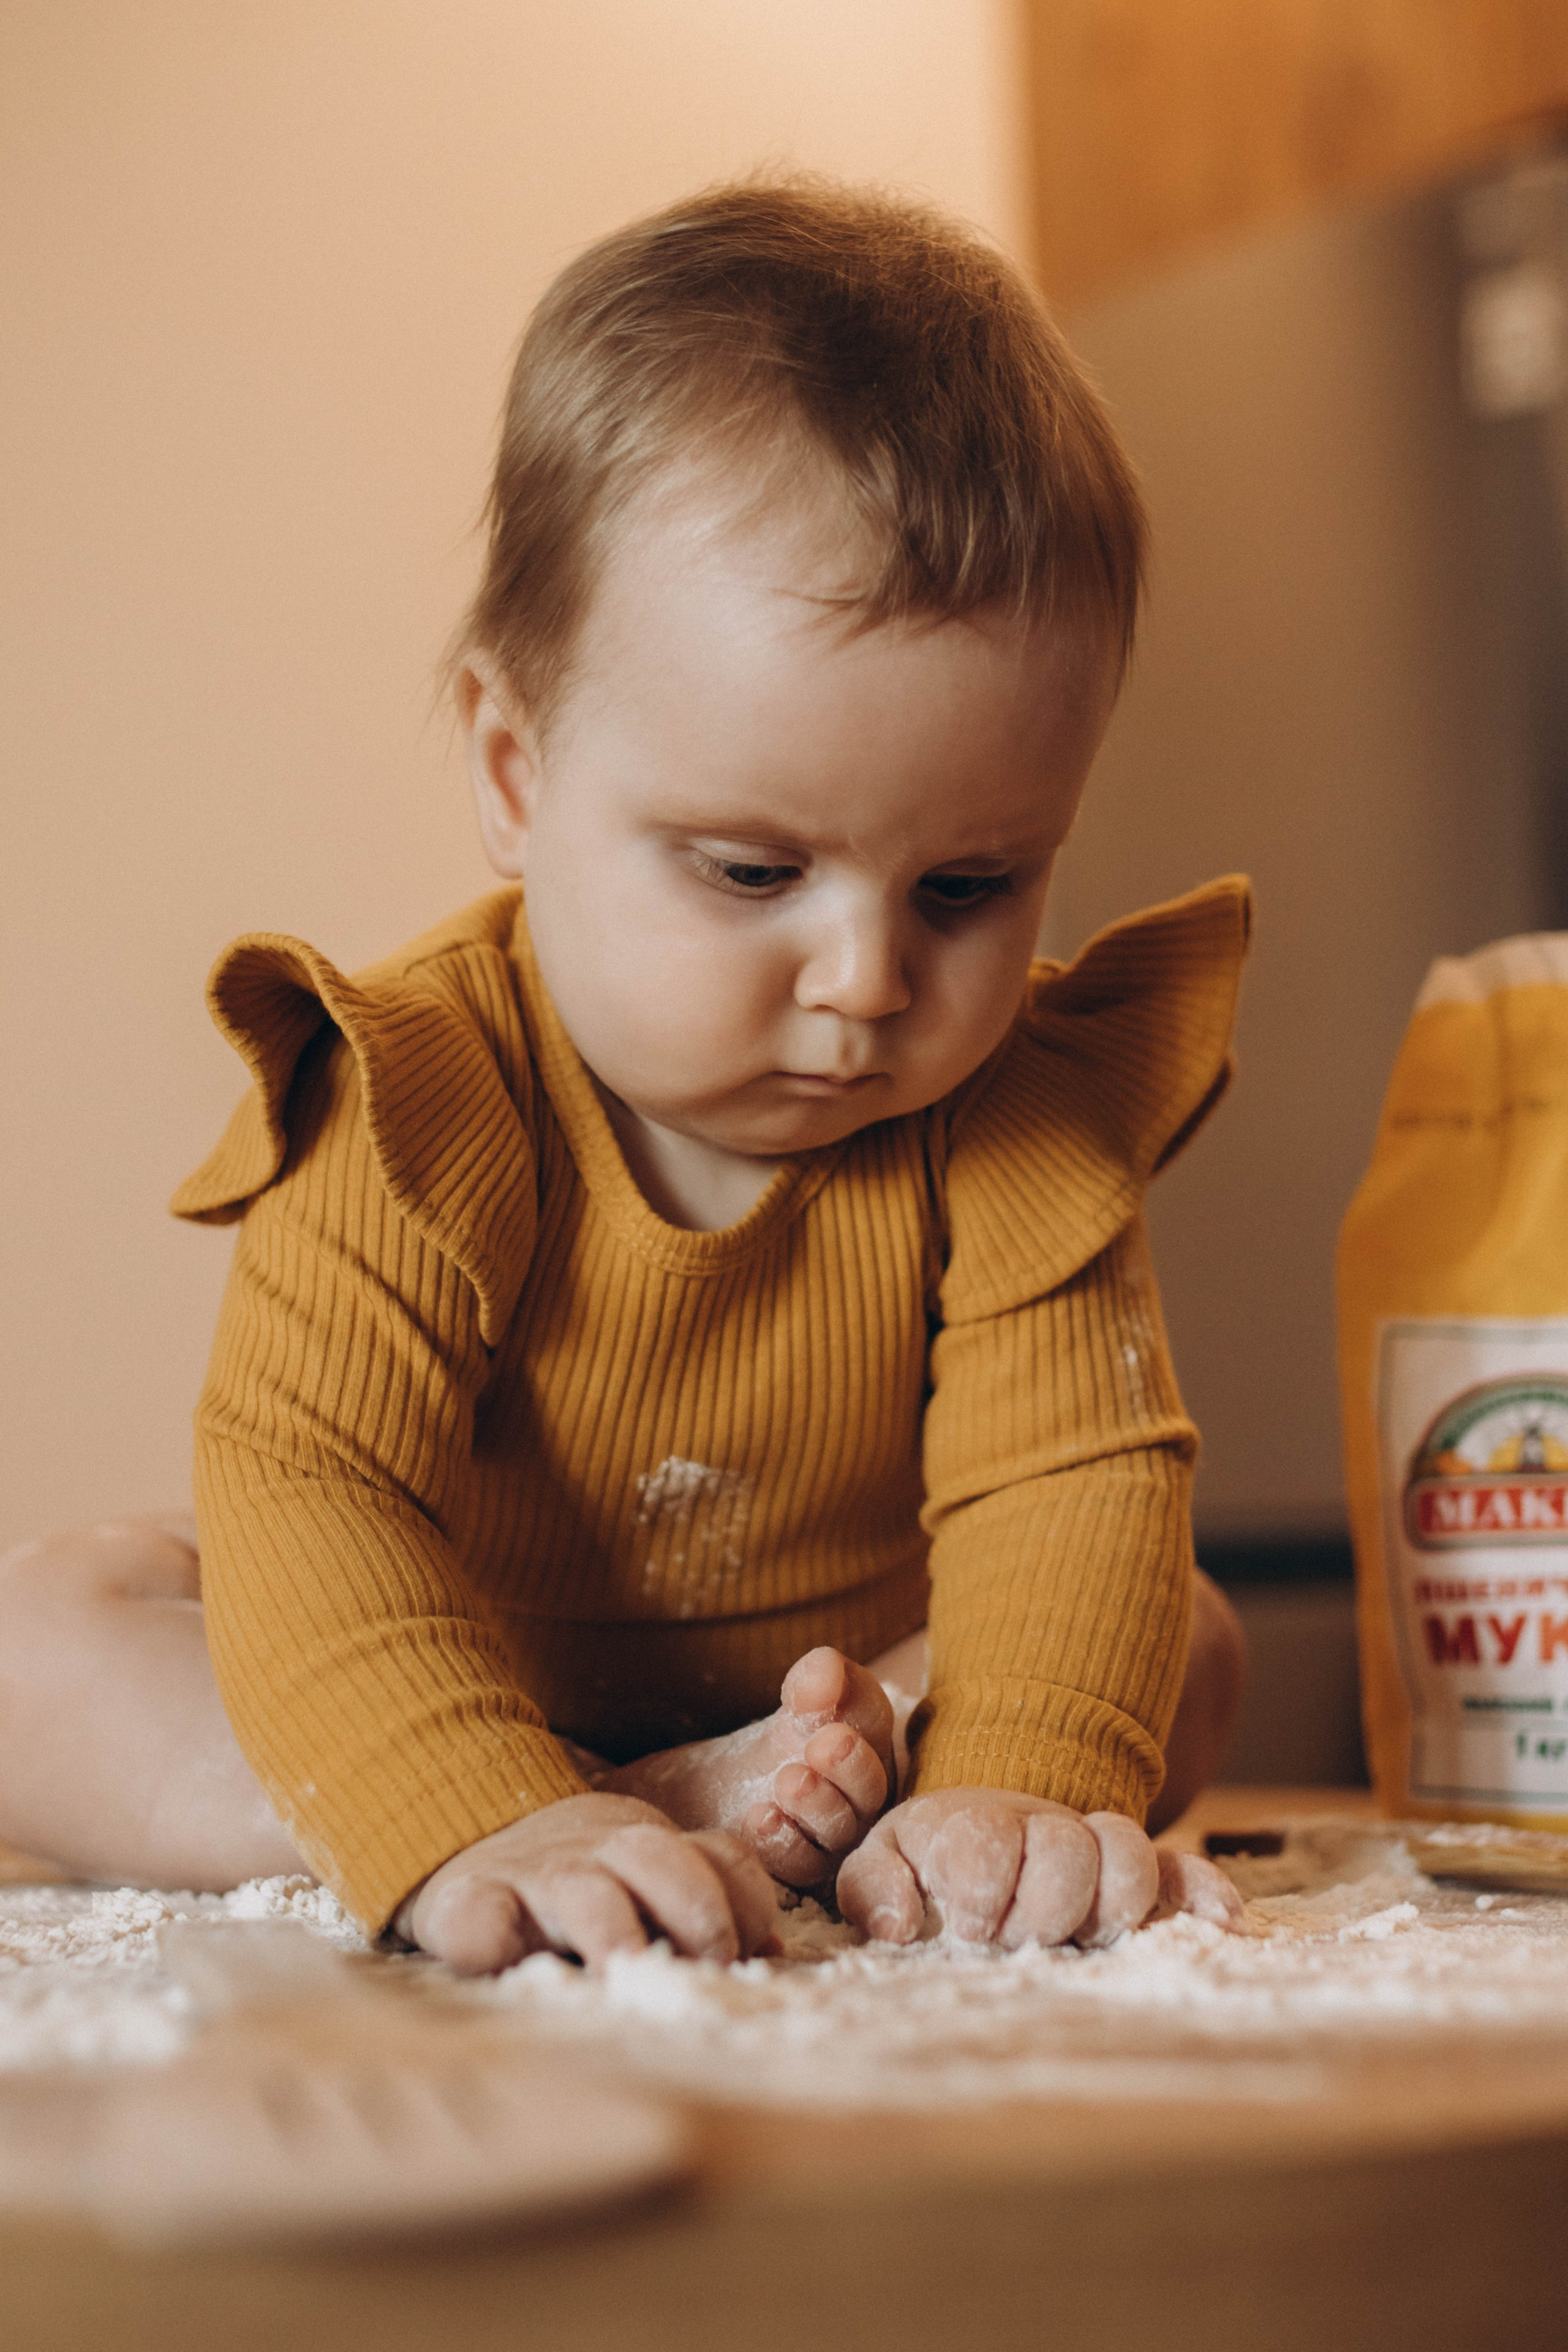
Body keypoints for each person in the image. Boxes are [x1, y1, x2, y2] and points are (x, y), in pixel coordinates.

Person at [0, 179, 1248, 1973]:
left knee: (1176, 1635)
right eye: (753, 874)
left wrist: (1027, 1779)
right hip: (447, 1647)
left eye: (969, 886)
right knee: (47, 1629)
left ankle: (817, 1799)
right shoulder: (417, 1098)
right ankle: (603, 1802)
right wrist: (471, 1798)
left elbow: (1072, 1481)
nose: (869, 981)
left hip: (855, 1680)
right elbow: (315, 1486)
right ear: (516, 773)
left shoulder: (1023, 1113)